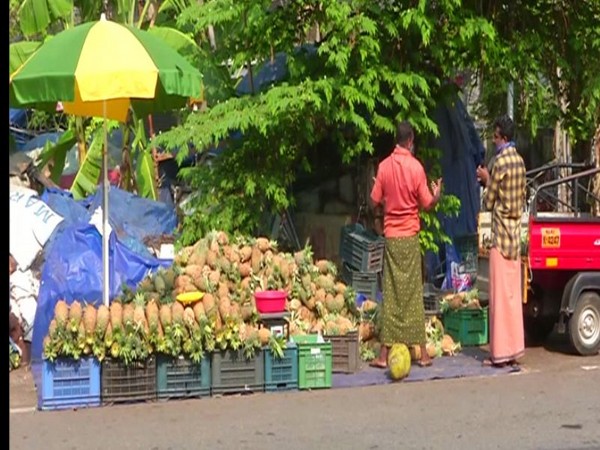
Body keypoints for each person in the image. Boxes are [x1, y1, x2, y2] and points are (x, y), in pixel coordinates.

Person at [369, 120, 442, 368]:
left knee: (390, 293)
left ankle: (382, 355)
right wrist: (437, 193)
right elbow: (428, 203)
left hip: (391, 237)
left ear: (396, 139)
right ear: (410, 140)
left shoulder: (383, 167)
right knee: (412, 294)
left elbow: (374, 200)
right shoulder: (416, 168)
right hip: (410, 237)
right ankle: (422, 354)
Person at [476, 114, 526, 367]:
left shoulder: (500, 163)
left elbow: (488, 201)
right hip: (515, 239)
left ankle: (499, 353)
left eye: (495, 137)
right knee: (512, 298)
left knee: (498, 299)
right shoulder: (519, 161)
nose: (494, 141)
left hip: (500, 236)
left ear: (503, 138)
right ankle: (515, 350)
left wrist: (486, 179)